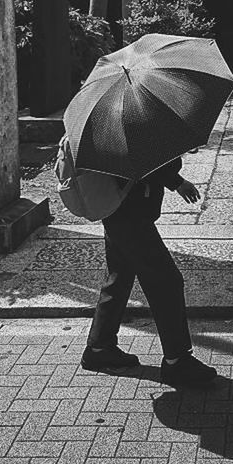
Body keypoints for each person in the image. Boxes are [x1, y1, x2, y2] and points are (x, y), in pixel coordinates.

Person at [81, 157, 217, 387]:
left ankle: (99, 347)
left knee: (119, 278)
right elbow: (148, 164)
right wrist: (177, 180)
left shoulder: (111, 127)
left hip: (115, 210)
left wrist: (174, 181)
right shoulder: (131, 126)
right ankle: (177, 361)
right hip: (131, 215)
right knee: (167, 282)